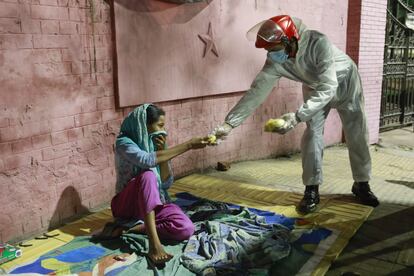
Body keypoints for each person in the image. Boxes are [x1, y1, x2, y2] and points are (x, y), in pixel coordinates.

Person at [212, 15, 379, 214]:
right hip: (314, 86)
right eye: (268, 50)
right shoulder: (276, 61)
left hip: (345, 83)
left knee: (356, 133)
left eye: (273, 49)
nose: (271, 55)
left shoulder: (318, 42)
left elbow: (329, 85)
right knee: (312, 135)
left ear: (289, 40)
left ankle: (362, 183)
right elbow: (256, 92)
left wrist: (297, 116)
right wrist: (229, 124)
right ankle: (311, 189)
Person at [96, 104, 209, 265]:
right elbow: (146, 160)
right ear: (144, 125)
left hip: (152, 204)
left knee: (186, 228)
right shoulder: (124, 142)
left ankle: (130, 228)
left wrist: (162, 148)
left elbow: (166, 184)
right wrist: (189, 145)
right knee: (148, 175)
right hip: (127, 205)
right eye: (160, 126)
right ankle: (154, 244)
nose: (163, 130)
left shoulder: (154, 146)